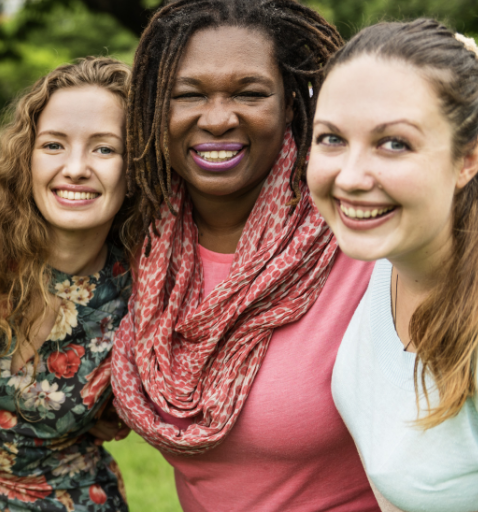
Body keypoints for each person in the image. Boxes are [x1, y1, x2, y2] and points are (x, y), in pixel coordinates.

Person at [109, 0, 382, 510]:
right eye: (187, 95)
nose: (217, 119)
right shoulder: (137, 243)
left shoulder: (360, 243)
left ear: (291, 103)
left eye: (250, 93)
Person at [0, 57, 137, 511]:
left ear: (136, 169)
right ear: (26, 156)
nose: (75, 168)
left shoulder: (143, 287)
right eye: (54, 145)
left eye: (105, 149)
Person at [307, 19, 478, 512]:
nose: (351, 176)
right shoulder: (388, 256)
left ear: (466, 160)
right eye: (332, 138)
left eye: (394, 143)